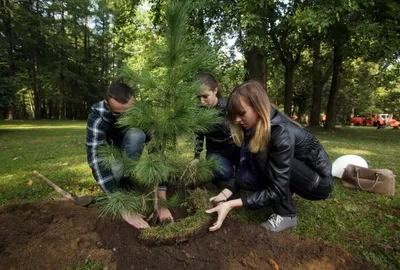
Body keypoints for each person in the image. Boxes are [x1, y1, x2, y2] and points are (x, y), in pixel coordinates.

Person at [206, 80, 333, 232]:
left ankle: (287, 215)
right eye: (234, 115)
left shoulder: (280, 132)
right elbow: (244, 166)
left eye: (242, 113)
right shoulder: (253, 127)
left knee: (264, 159)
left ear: (258, 107)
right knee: (255, 167)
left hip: (318, 184)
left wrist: (231, 204)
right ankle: (288, 191)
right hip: (297, 174)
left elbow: (277, 188)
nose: (237, 120)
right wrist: (225, 194)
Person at [86, 82, 173, 228]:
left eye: (129, 112)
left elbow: (158, 152)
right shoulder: (98, 114)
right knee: (114, 171)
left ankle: (126, 180)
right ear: (108, 104)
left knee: (136, 135)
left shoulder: (142, 113)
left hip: (128, 156)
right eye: (119, 114)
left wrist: (162, 203)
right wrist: (121, 206)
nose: (125, 117)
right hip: (110, 160)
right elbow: (96, 159)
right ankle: (118, 185)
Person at [193, 73, 239, 187]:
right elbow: (199, 135)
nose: (202, 101)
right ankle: (216, 175)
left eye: (205, 96)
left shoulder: (230, 105)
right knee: (226, 173)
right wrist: (196, 157)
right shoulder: (198, 111)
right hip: (215, 152)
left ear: (215, 90)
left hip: (234, 148)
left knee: (248, 169)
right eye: (198, 97)